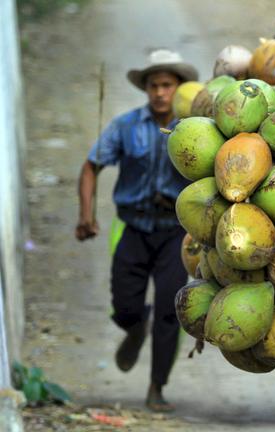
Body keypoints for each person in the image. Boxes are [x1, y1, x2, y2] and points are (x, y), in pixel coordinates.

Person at [75, 49, 198, 412]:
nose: (160, 92)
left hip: (175, 233)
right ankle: (133, 324)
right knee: (124, 305)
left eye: (167, 85)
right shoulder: (125, 126)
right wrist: (86, 215)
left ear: (178, 88)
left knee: (169, 310)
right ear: (145, 89)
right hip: (133, 227)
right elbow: (90, 167)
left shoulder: (194, 128)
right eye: (153, 85)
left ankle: (157, 387)